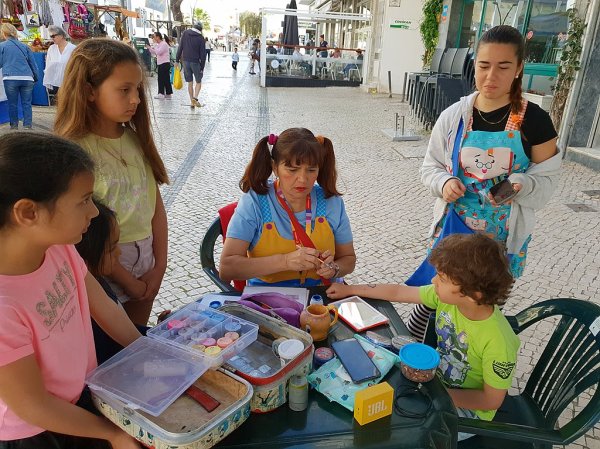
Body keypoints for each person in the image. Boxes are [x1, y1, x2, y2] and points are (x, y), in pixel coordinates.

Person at [405, 25, 561, 340]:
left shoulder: (536, 121)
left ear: (519, 69)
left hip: (499, 246)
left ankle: (466, 362)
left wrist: (523, 184)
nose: (491, 76)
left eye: (503, 67)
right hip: (453, 234)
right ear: (474, 65)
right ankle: (415, 353)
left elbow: (546, 184)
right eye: (484, 65)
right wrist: (444, 182)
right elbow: (429, 167)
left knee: (480, 316)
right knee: (431, 304)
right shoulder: (454, 117)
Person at [0, 132, 142, 449]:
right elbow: (33, 406)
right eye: (83, 201)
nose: (94, 212)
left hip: (79, 399)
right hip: (34, 433)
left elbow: (104, 307)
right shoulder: (4, 307)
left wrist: (146, 348)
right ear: (28, 212)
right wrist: (113, 434)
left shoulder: (57, 247)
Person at [327, 233, 519, 440]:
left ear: (474, 294)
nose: (433, 280)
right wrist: (350, 289)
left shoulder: (498, 341)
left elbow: (490, 401)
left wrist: (433, 393)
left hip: (466, 414)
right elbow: (398, 292)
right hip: (434, 381)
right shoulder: (449, 299)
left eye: (442, 279)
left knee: (395, 432)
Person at [54, 39, 169, 327]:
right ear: (89, 91)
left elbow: (155, 206)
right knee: (109, 343)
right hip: (102, 265)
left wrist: (160, 265)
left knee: (137, 338)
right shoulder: (74, 151)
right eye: (124, 90)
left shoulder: (136, 139)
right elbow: (86, 233)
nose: (136, 99)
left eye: (138, 89)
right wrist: (126, 279)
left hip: (147, 256)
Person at [220, 128, 356, 287]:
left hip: (321, 293)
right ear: (274, 167)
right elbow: (227, 268)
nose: (302, 179)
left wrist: (334, 269)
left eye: (311, 170)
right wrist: (285, 261)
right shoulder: (255, 203)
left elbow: (348, 259)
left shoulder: (331, 202)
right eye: (292, 170)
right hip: (267, 295)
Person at [75, 199, 150, 365]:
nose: (119, 253)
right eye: (112, 248)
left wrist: (162, 331)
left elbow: (126, 329)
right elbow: (114, 348)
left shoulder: (99, 282)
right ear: (86, 256)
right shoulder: (90, 314)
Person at [0, 23, 38, 130]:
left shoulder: (2, 46)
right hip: (27, 78)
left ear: (4, 33)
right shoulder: (25, 46)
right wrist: (36, 77)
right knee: (27, 103)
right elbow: (33, 64)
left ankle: (14, 126)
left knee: (12, 103)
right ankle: (27, 125)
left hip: (10, 78)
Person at [175, 22, 206, 108]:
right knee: (198, 81)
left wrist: (177, 60)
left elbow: (180, 47)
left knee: (190, 82)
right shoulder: (200, 38)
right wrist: (202, 67)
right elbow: (203, 55)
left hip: (185, 61)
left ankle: (192, 102)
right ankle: (195, 98)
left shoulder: (185, 33)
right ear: (200, 29)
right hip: (195, 62)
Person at [42, 25, 75, 99]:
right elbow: (48, 65)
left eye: (53, 36)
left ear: (61, 35)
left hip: (69, 82)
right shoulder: (51, 48)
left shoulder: (72, 48)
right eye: (51, 36)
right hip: (55, 83)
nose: (52, 38)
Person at [147, 31, 173, 99]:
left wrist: (154, 45)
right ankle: (168, 94)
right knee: (166, 79)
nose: (153, 38)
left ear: (158, 37)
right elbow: (155, 52)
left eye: (154, 36)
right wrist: (149, 48)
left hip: (164, 63)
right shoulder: (160, 44)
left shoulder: (163, 44)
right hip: (162, 63)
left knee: (161, 79)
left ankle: (161, 93)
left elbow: (158, 52)